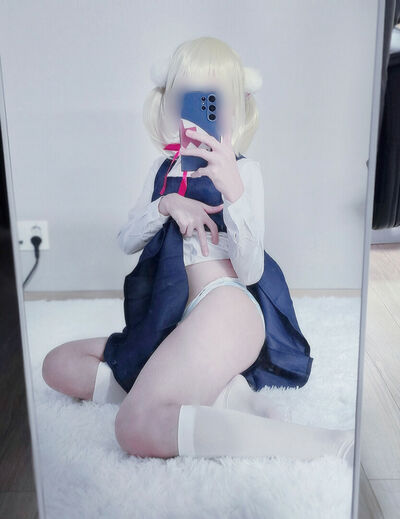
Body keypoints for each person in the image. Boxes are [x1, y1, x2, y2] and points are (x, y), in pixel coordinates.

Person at [42, 36, 354, 466]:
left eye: (213, 100)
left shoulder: (244, 171)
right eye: (189, 98)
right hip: (166, 317)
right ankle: (220, 394)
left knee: (136, 426)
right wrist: (166, 204)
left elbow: (251, 271)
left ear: (236, 108)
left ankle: (324, 443)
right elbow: (127, 240)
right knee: (58, 365)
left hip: (224, 306)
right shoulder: (161, 170)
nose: (200, 110)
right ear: (169, 103)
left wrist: (234, 193)